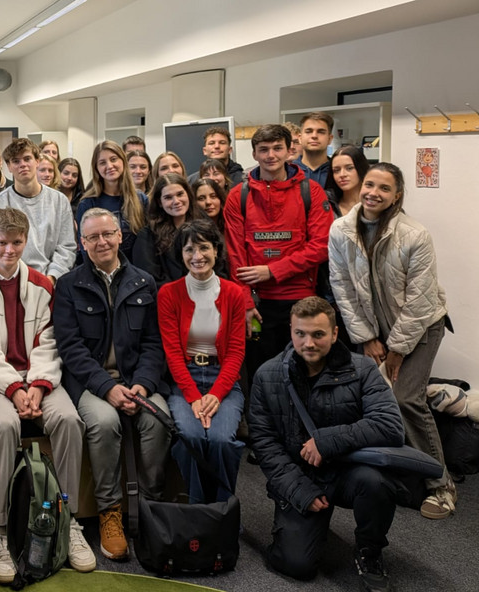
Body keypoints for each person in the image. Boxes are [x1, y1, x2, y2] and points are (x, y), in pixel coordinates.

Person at [0, 208, 96, 583]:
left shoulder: (42, 284)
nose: (9, 250)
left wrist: (36, 385)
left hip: (40, 379)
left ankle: (68, 520)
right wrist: (15, 389)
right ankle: (0, 531)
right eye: (2, 242)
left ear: (26, 241)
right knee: (1, 427)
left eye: (17, 242)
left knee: (69, 420)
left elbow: (50, 342)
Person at [249, 297, 408, 591]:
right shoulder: (267, 375)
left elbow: (390, 426)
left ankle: (369, 550)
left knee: (376, 482)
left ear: (335, 334)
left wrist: (325, 441)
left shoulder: (362, 369)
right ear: (291, 331)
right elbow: (265, 446)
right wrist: (299, 491)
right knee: (296, 565)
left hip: (349, 471)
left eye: (318, 334)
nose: (308, 342)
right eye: (301, 334)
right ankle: (300, 528)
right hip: (300, 475)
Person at [328, 162, 456, 519]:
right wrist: (366, 338)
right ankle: (398, 470)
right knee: (373, 399)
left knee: (405, 399)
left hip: (421, 327)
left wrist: (397, 348)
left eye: (384, 189)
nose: (373, 193)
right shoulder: (341, 229)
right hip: (373, 330)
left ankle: (440, 485)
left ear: (397, 195)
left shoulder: (414, 234)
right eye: (370, 184)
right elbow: (341, 286)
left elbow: (421, 299)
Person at [53, 208, 170, 561]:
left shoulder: (144, 282)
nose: (102, 242)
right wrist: (108, 388)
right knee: (103, 422)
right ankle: (110, 513)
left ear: (120, 236)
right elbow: (70, 348)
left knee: (159, 420)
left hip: (138, 382)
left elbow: (154, 343)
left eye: (108, 234)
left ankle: (151, 508)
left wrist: (145, 385)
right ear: (82, 243)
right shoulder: (68, 285)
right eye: (93, 237)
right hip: (92, 384)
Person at [224, 124, 331, 379]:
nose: (270, 155)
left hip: (301, 299)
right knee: (261, 374)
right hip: (258, 304)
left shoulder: (311, 192)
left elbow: (321, 247)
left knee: (304, 372)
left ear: (289, 151)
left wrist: (271, 271)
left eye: (277, 148)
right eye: (263, 149)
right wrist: (246, 303)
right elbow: (236, 254)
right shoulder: (237, 196)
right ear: (254, 155)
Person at [157, 219, 246, 503]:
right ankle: (198, 509)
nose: (197, 256)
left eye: (204, 248)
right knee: (191, 439)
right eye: (189, 249)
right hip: (185, 381)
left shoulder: (233, 293)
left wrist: (216, 395)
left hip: (224, 379)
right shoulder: (168, 293)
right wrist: (194, 397)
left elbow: (235, 352)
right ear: (181, 255)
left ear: (216, 250)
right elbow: (172, 353)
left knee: (221, 441)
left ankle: (223, 507)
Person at [0, 138, 76, 283]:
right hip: (12, 281)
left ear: (37, 161)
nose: (23, 165)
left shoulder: (59, 201)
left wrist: (51, 278)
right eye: (16, 161)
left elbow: (66, 247)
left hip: (52, 281)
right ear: (8, 166)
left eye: (27, 159)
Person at [76, 140, 148, 262]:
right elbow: (85, 249)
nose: (109, 166)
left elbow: (147, 244)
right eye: (102, 163)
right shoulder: (87, 203)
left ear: (123, 162)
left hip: (136, 272)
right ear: (96, 168)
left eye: (114, 159)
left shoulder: (140, 199)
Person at [133, 173, 205, 286]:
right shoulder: (147, 235)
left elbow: (218, 263)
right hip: (169, 298)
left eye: (180, 194)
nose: (176, 201)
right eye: (168, 197)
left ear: (188, 195)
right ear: (160, 203)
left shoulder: (205, 226)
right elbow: (150, 277)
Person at [324, 145, 370, 217]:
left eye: (349, 168)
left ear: (361, 168)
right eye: (336, 170)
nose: (342, 175)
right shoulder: (327, 204)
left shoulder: (376, 202)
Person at [295, 112, 334, 188]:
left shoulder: (337, 172)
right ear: (300, 138)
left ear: (330, 139)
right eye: (308, 131)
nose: (314, 136)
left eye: (321, 132)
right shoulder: (289, 171)